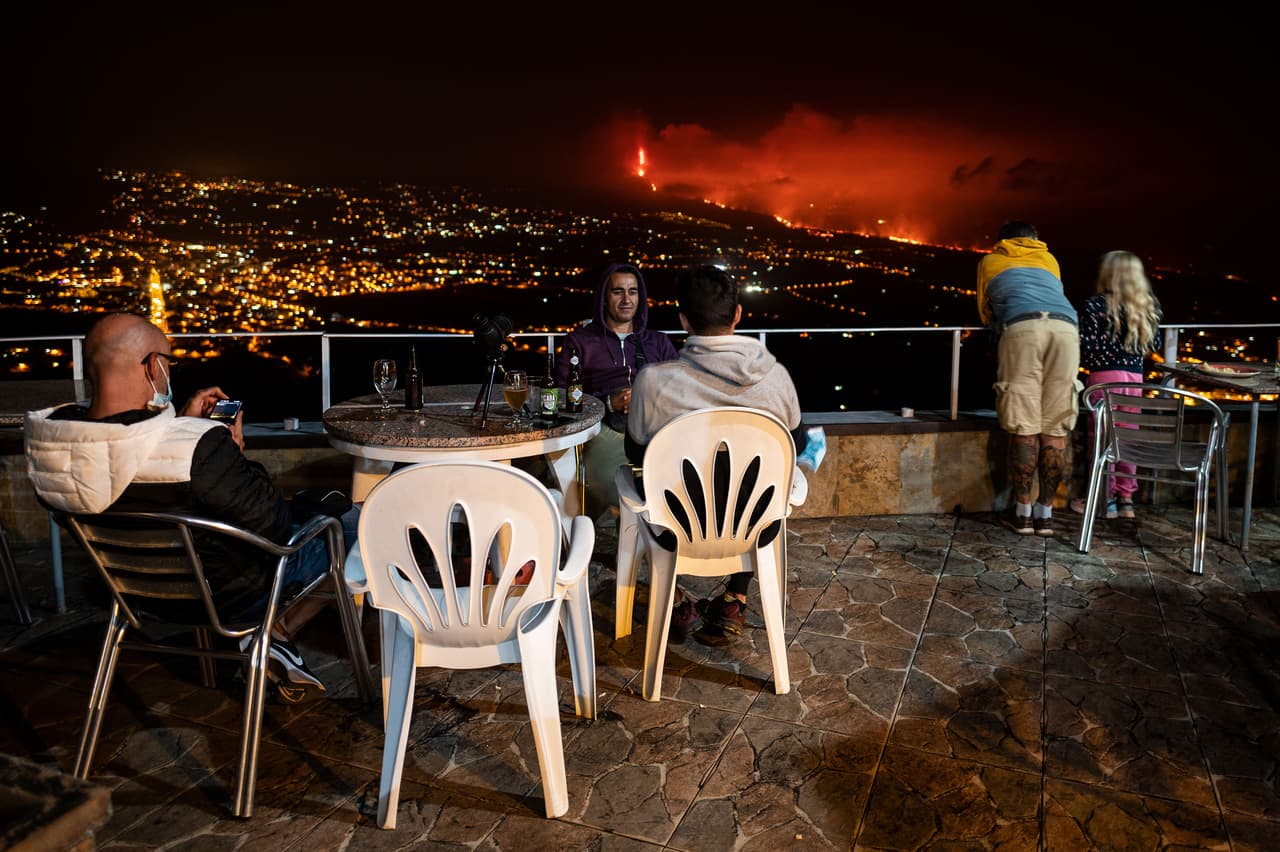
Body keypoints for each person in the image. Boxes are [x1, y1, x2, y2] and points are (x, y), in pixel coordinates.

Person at [24, 313, 347, 701]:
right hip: (227, 598)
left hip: (133, 598)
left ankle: (273, 640)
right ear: (152, 366)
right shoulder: (200, 449)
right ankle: (276, 633)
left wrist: (178, 424)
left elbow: (126, 462)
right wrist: (228, 449)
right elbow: (274, 526)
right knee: (346, 527)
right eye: (169, 364)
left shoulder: (54, 450)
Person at [626, 264, 808, 646]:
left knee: (641, 488)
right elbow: (797, 445)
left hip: (678, 531)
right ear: (738, 314)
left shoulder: (653, 383)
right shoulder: (777, 379)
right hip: (756, 529)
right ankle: (734, 599)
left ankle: (676, 603)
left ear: (683, 320)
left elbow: (636, 452)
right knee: (748, 486)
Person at [976, 221, 1080, 537]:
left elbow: (986, 311)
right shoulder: (1050, 260)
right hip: (1065, 328)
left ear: (1002, 240)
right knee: (1055, 425)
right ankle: (1045, 515)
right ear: (1035, 240)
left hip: (1021, 328)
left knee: (1025, 424)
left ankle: (1022, 514)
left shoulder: (991, 260)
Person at [554, 262, 678, 518]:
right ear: (604, 297)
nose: (626, 299)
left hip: (655, 431)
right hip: (603, 431)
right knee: (628, 484)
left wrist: (648, 399)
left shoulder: (659, 342)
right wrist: (608, 402)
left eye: (633, 292)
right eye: (617, 291)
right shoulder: (580, 342)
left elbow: (680, 390)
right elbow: (560, 396)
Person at [1069, 251, 1163, 520]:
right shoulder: (1148, 306)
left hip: (1103, 378)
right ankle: (1126, 499)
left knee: (1101, 439)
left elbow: (1087, 347)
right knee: (1127, 439)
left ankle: (1103, 499)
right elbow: (1152, 347)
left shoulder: (1095, 305)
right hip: (1135, 379)